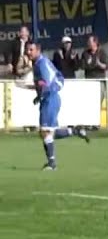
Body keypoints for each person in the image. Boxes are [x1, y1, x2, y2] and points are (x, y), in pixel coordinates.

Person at [22, 41, 90, 170]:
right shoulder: (37, 63)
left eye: (31, 50)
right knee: (48, 132)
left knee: (45, 131)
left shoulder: (42, 63)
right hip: (48, 98)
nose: (28, 52)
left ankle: (52, 164)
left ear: (38, 50)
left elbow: (47, 83)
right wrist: (38, 95)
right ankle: (75, 131)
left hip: (50, 99)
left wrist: (33, 87)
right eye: (27, 50)